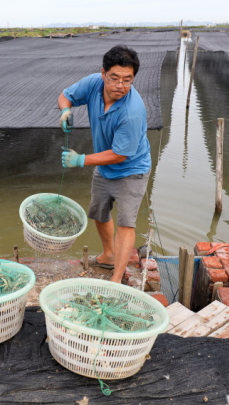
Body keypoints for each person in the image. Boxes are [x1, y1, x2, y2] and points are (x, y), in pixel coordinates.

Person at [57, 45, 151, 283]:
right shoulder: (93, 84)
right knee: (99, 212)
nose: (120, 86)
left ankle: (117, 278)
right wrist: (65, 111)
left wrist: (81, 160)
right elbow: (65, 96)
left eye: (127, 80)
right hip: (104, 166)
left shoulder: (133, 111)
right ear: (103, 74)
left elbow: (120, 155)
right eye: (115, 78)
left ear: (133, 79)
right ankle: (109, 254)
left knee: (126, 223)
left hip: (132, 170)